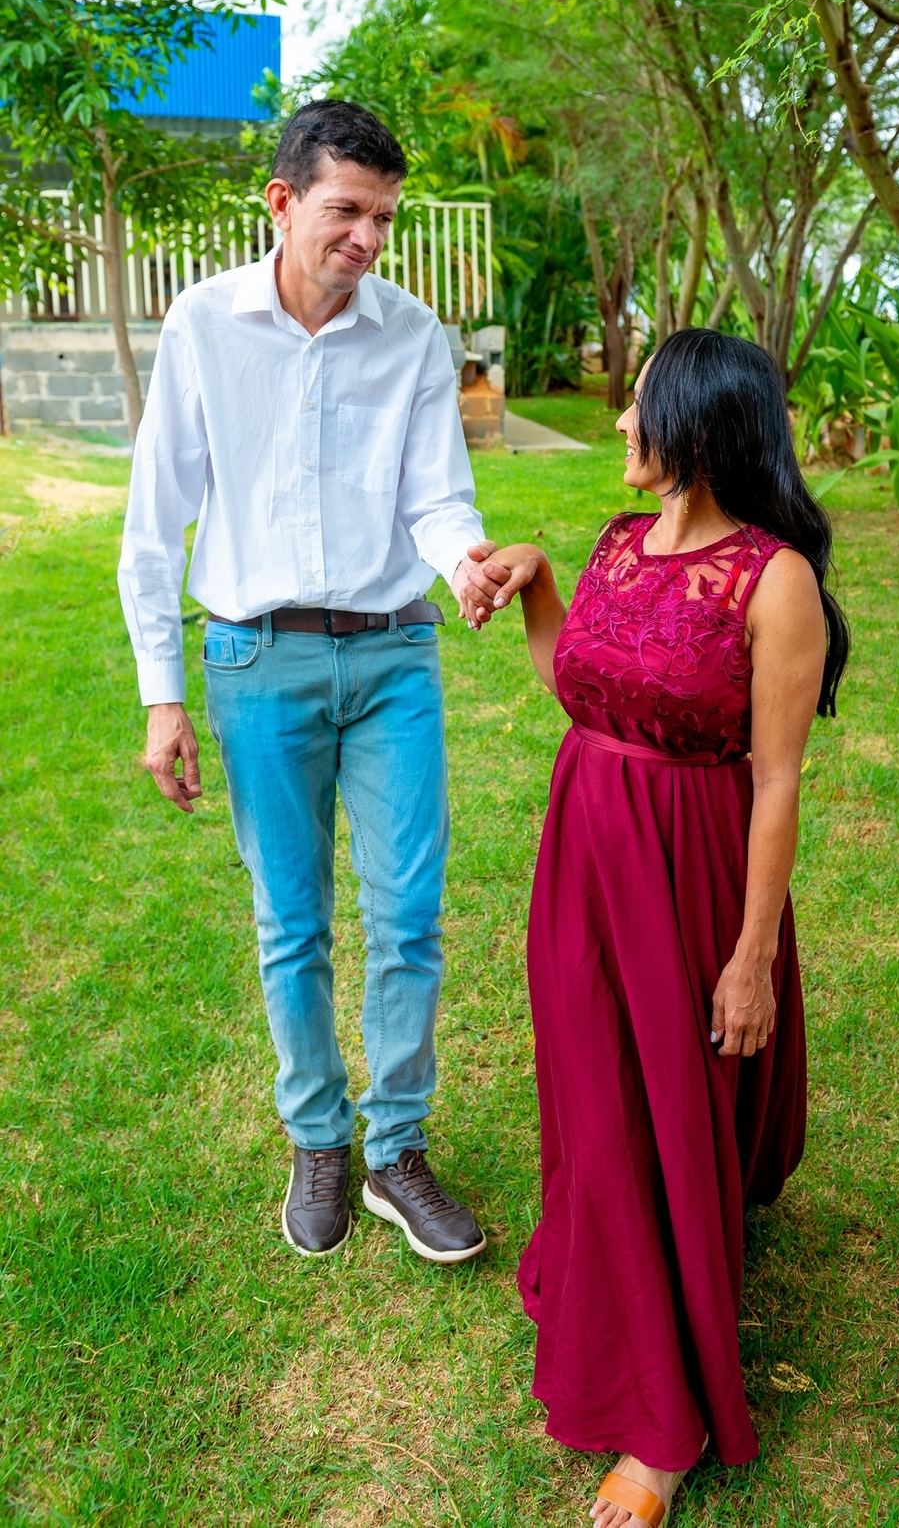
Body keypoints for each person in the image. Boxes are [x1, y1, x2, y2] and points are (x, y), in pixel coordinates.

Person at [118, 100, 506, 1261]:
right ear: (282, 203)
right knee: (291, 923)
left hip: (393, 656)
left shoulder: (414, 334)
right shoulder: (203, 326)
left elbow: (436, 495)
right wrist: (162, 694)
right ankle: (318, 1137)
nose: (368, 238)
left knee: (409, 917)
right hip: (255, 659)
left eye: (384, 217)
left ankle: (397, 1149)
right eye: (347, 211)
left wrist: (464, 561)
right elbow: (155, 524)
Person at [478, 330, 849, 1527]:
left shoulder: (774, 582)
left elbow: (778, 783)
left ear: (695, 421)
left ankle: (662, 1423)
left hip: (689, 873)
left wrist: (751, 958)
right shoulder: (617, 543)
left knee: (661, 1109)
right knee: (593, 1093)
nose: (621, 424)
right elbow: (583, 693)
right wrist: (541, 583)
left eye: (638, 405)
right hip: (584, 857)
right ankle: (609, 1271)